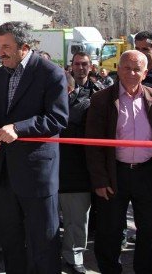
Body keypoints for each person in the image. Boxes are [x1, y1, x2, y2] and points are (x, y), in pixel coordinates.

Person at [0, 21, 67, 274]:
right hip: (6, 174)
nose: (1, 52)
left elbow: (57, 119)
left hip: (37, 174)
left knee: (43, 242)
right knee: (11, 240)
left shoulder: (50, 73)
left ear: (25, 47)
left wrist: (18, 128)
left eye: (7, 47)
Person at [85, 50, 152, 274]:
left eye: (137, 69)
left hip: (148, 174)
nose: (132, 73)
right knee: (109, 231)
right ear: (118, 69)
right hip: (115, 174)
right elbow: (93, 144)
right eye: (127, 68)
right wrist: (100, 179)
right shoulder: (102, 99)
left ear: (145, 72)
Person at [60, 52, 102, 274]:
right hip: (54, 165)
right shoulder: (53, 92)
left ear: (91, 66)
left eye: (85, 64)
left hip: (79, 167)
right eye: (77, 64)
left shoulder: (99, 94)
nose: (81, 68)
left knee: (77, 219)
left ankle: (74, 256)